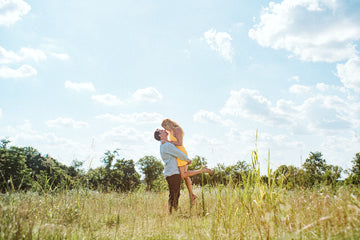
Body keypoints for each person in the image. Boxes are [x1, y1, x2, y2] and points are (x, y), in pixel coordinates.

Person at [154, 128, 211, 213]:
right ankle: (173, 212)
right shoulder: (166, 145)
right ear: (160, 135)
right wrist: (187, 159)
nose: (164, 130)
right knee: (175, 194)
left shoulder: (164, 144)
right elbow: (178, 153)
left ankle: (173, 212)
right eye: (161, 130)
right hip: (173, 173)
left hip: (170, 172)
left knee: (174, 194)